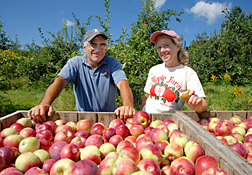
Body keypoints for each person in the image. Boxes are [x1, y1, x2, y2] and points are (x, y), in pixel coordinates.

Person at [28, 28, 135, 121]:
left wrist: (128, 107)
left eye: (102, 45)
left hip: (109, 120)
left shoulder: (112, 63)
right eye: (93, 45)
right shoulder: (75, 63)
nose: (98, 50)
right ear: (84, 47)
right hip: (83, 121)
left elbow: (122, 84)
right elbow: (60, 82)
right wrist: (45, 104)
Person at [141, 29, 208, 113]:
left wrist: (198, 104)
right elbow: (146, 97)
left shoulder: (187, 73)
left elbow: (204, 105)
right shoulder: (154, 70)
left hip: (169, 122)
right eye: (159, 47)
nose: (162, 50)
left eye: (166, 45)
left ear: (177, 47)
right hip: (148, 118)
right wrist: (140, 115)